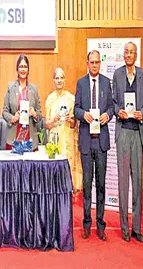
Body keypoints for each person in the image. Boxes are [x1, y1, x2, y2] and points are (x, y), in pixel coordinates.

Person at [112, 42, 143, 243]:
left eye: (131, 52)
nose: (128, 55)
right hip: (123, 133)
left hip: (137, 133)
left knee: (137, 182)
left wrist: (142, 113)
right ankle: (124, 228)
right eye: (126, 52)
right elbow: (113, 102)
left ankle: (136, 228)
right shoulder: (117, 74)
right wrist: (118, 111)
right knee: (123, 182)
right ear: (123, 55)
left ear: (136, 55)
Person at [75, 50, 113, 241]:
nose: (95, 65)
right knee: (87, 184)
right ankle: (86, 223)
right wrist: (83, 114)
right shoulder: (81, 83)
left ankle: (100, 224)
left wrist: (108, 115)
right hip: (86, 140)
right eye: (92, 62)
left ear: (100, 64)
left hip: (101, 140)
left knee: (101, 184)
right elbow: (75, 109)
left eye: (97, 62)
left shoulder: (106, 82)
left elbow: (112, 107)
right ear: (87, 63)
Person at [44, 67, 81, 198]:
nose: (59, 80)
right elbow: (47, 125)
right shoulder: (50, 99)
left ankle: (68, 195)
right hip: (54, 140)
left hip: (68, 139)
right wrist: (54, 120)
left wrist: (71, 120)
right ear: (53, 80)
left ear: (65, 80)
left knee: (68, 167)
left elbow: (74, 124)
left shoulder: (71, 98)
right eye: (57, 78)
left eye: (61, 78)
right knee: (55, 170)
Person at [2, 55, 43, 150]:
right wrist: (12, 118)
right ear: (17, 69)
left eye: (25, 67)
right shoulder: (11, 87)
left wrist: (34, 114)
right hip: (14, 137)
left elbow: (40, 115)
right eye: (21, 66)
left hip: (30, 138)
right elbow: (4, 112)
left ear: (28, 70)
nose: (23, 69)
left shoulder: (34, 89)